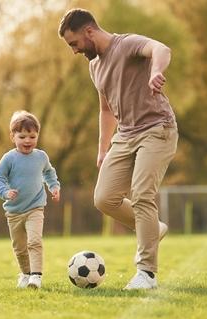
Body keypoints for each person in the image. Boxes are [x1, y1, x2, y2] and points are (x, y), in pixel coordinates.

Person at [59, 8, 178, 290]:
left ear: (89, 31)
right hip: (125, 136)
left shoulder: (126, 45)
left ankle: (146, 273)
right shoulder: (94, 66)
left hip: (156, 128)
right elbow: (105, 109)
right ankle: (153, 229)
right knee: (104, 198)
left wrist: (156, 71)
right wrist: (103, 148)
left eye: (74, 43)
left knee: (142, 194)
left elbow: (161, 48)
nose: (74, 51)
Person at [0, 110, 61, 289]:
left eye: (32, 136)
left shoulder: (41, 157)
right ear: (12, 136)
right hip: (14, 211)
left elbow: (49, 173)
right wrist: (5, 192)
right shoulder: (9, 158)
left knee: (34, 241)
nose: (28, 141)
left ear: (37, 135)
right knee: (20, 248)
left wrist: (54, 187)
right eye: (22, 136)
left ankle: (36, 276)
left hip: (35, 208)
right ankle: (25, 273)